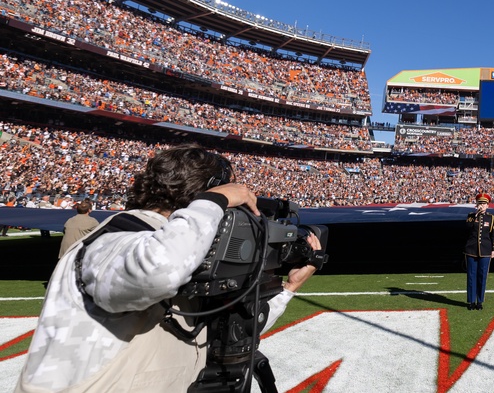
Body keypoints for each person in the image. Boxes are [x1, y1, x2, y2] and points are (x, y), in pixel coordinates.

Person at [15, 143, 323, 393]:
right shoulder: (116, 240)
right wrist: (212, 202)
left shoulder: (187, 253)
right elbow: (160, 271)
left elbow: (228, 332)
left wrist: (288, 288)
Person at [464, 192, 494, 311]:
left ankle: (480, 301)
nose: (482, 205)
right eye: (480, 203)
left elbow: (493, 235)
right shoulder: (471, 216)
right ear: (476, 204)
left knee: (482, 276)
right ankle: (471, 301)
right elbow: (467, 228)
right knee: (471, 276)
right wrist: (476, 216)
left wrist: (493, 249)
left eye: (484, 204)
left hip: (485, 251)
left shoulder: (491, 218)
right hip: (471, 250)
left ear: (488, 205)